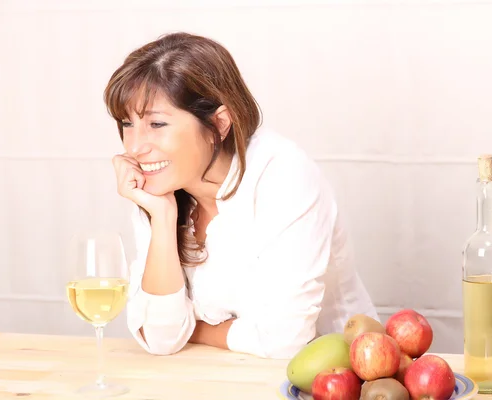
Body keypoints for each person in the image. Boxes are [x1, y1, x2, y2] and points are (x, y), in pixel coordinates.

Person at [103, 32, 377, 360]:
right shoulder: (160, 190)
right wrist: (162, 217)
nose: (134, 147)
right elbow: (160, 338)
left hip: (328, 378)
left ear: (219, 124)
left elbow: (284, 340)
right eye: (127, 123)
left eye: (157, 124)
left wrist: (191, 327)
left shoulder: (283, 175)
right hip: (219, 378)